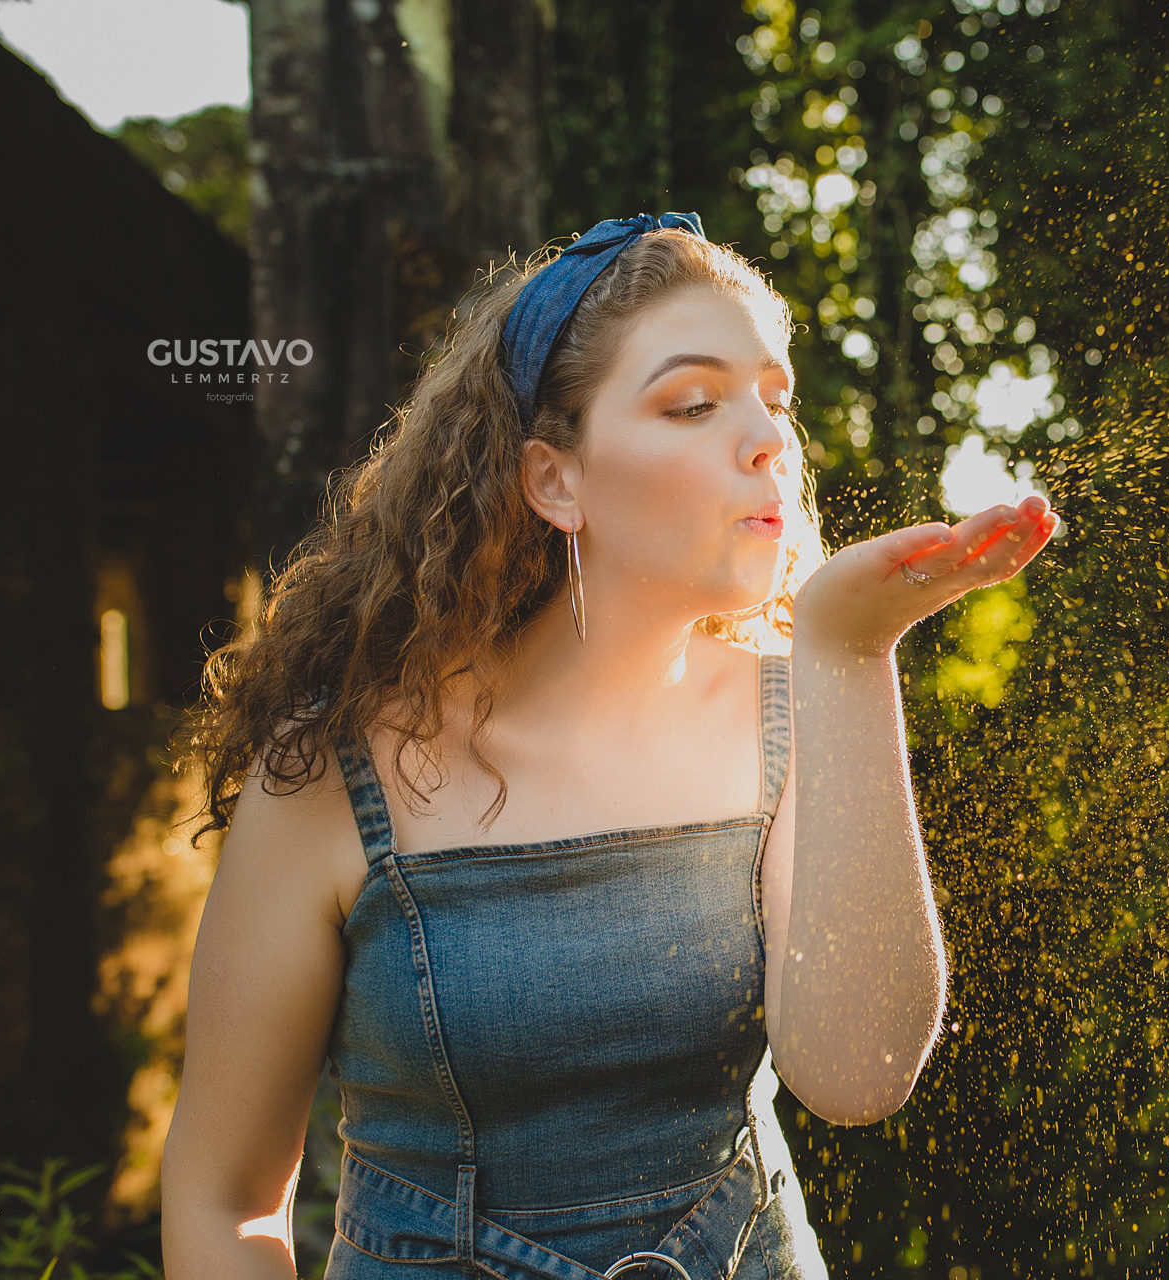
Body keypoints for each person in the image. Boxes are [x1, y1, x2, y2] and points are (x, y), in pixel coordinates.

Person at [158, 212, 1058, 1280]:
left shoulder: (796, 709)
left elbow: (860, 1073)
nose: (771, 437)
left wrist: (852, 656)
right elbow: (221, 1200)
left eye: (777, 398)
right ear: (555, 480)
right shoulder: (334, 774)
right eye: (693, 401)